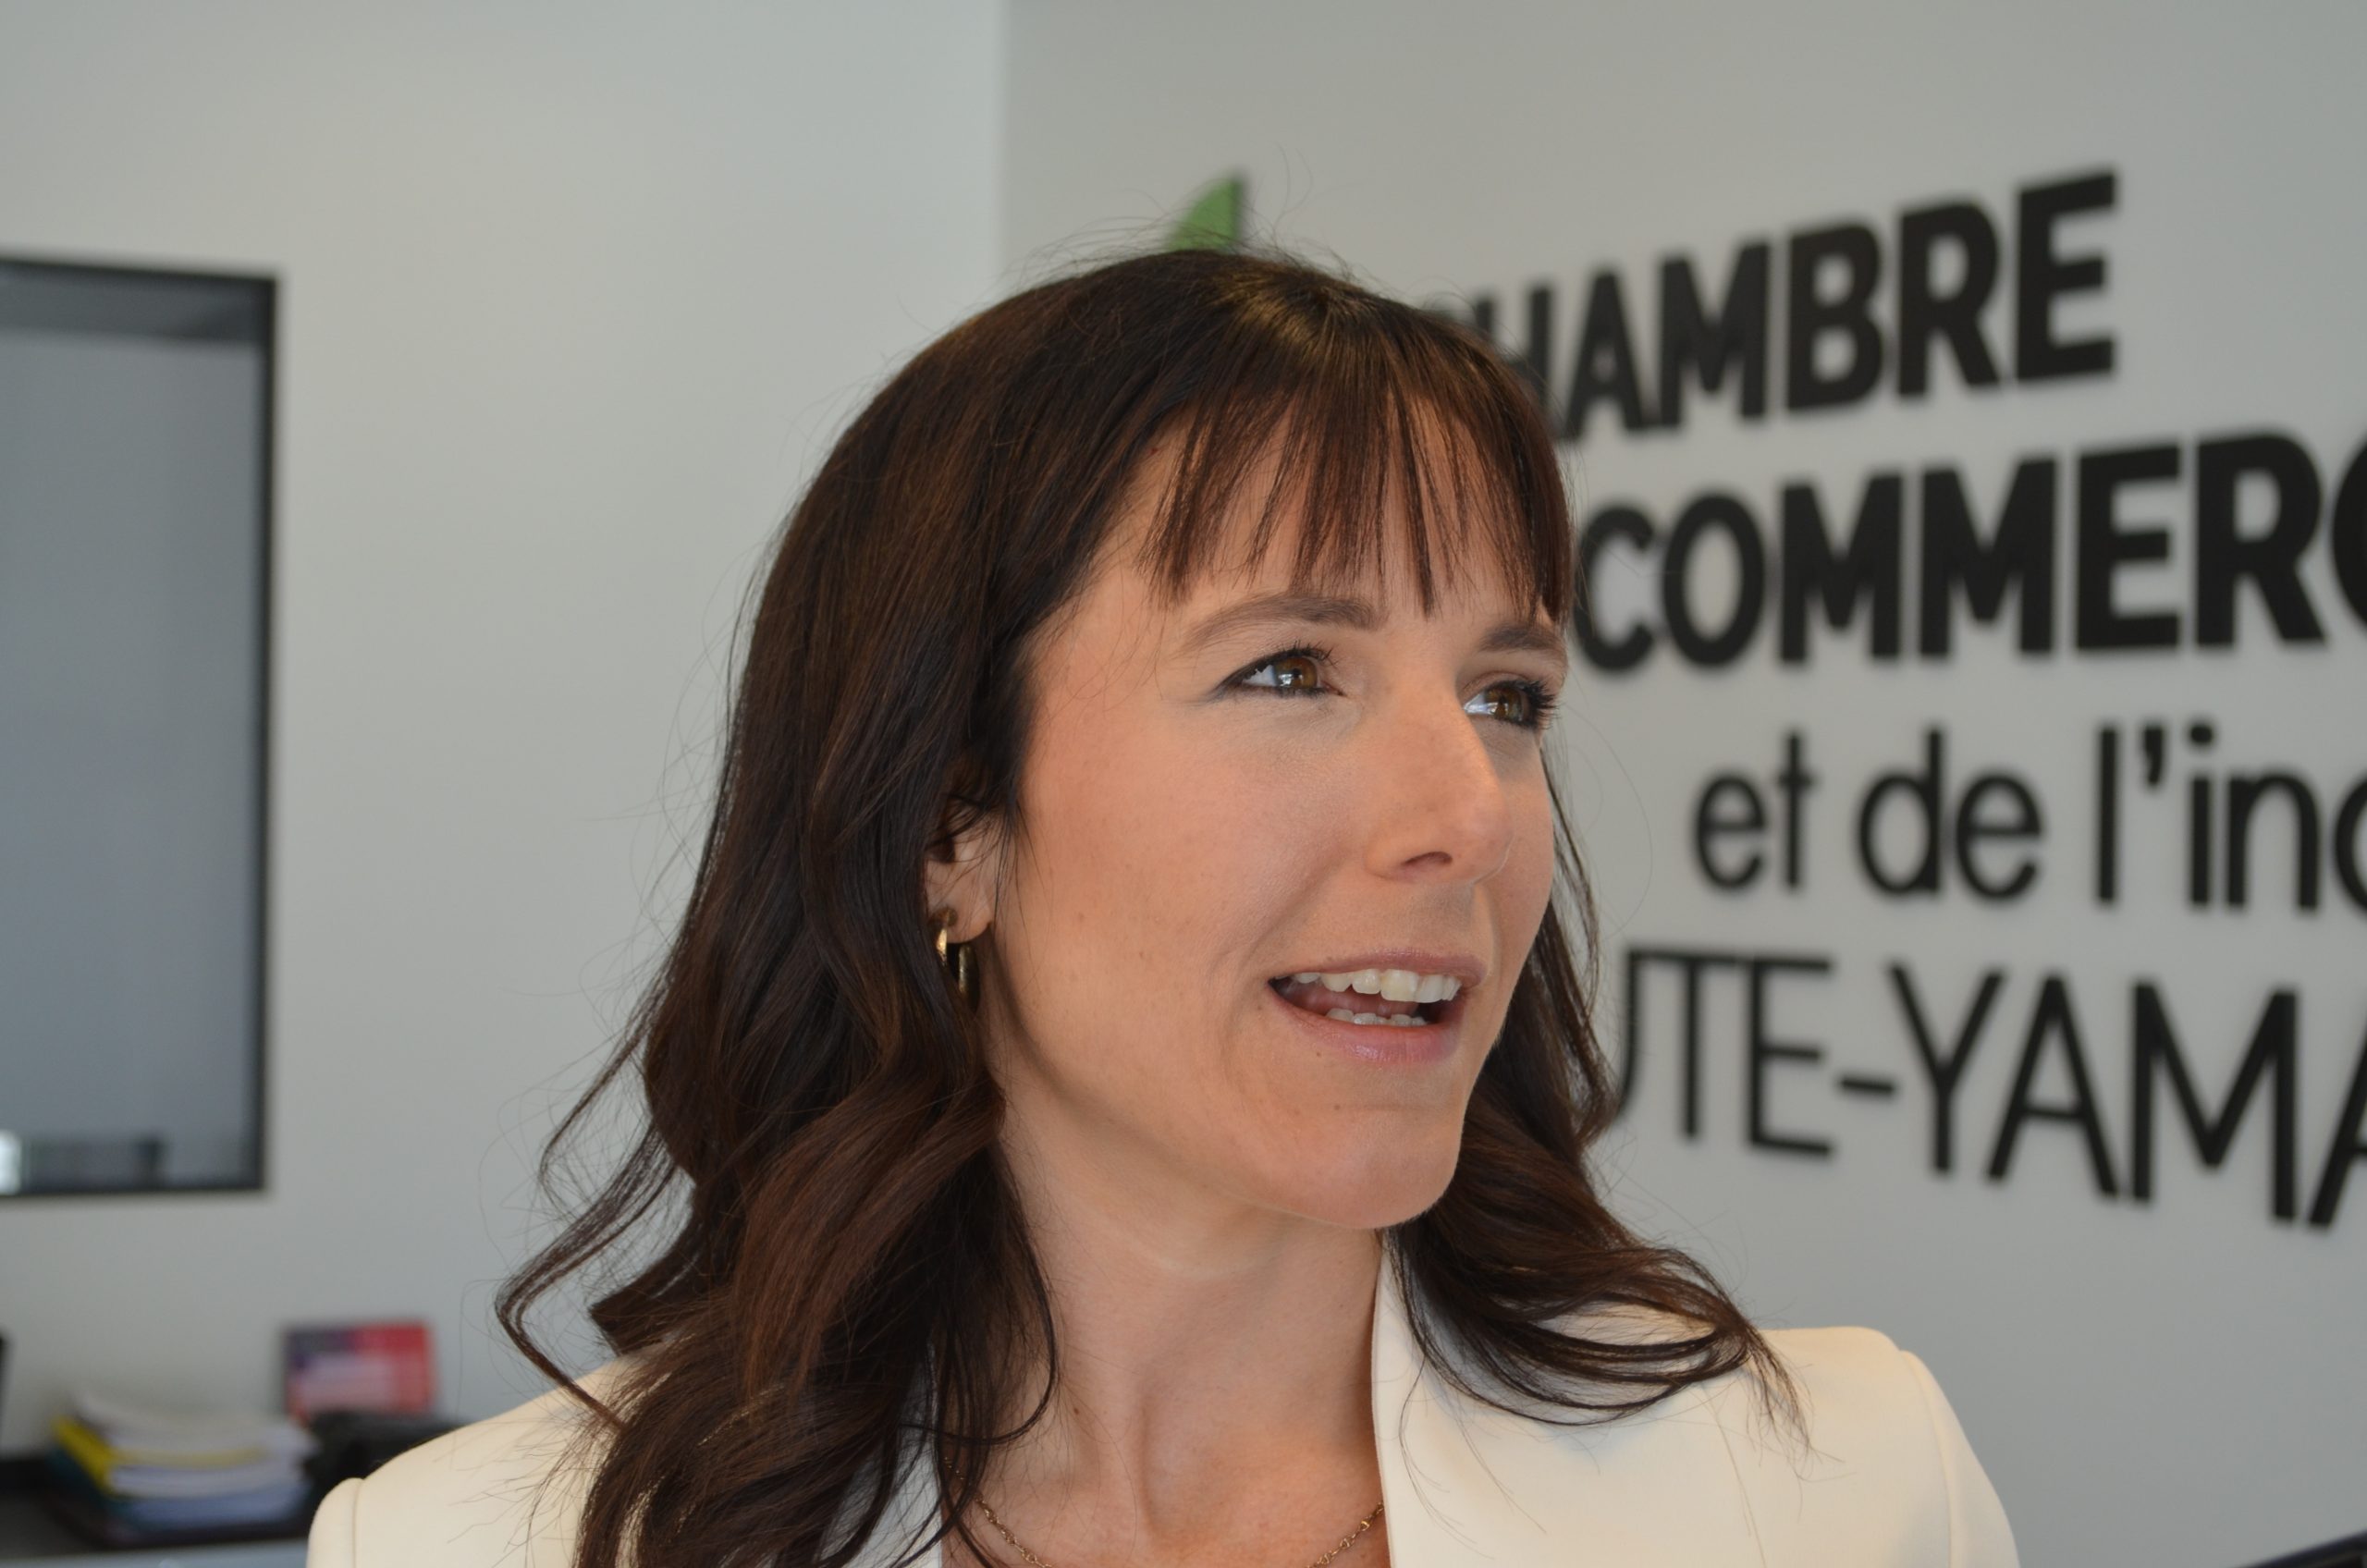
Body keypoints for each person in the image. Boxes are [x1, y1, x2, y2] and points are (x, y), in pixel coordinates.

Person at [307, 243, 2017, 1567]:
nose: (1466, 820)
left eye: (1508, 698)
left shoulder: (1840, 1493)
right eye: (1291, 670)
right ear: (950, 822)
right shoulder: (466, 1547)